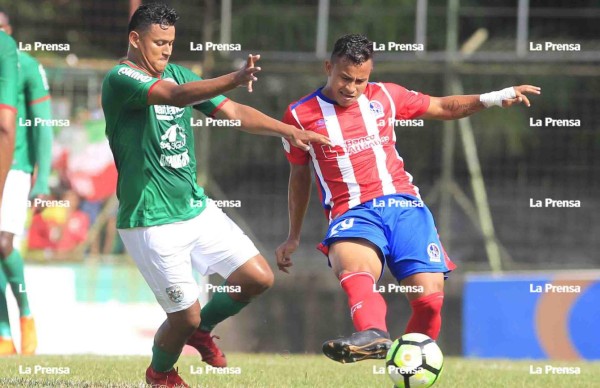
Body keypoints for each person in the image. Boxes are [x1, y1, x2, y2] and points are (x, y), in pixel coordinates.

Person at [102, 3, 329, 387]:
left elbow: (235, 113)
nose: (166, 51)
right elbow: (175, 97)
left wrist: (286, 131)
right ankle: (160, 373)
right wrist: (234, 77)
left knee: (257, 277)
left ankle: (202, 330)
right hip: (150, 221)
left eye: (171, 43)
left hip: (195, 209)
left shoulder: (175, 72)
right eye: (158, 42)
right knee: (183, 317)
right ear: (135, 39)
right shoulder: (121, 78)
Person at [276, 34, 540, 363]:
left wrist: (495, 97)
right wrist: (293, 235)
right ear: (328, 67)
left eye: (360, 80)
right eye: (345, 78)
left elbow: (443, 106)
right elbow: (299, 176)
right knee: (355, 268)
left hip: (404, 207)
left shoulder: (387, 95)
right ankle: (373, 334)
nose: (351, 88)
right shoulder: (299, 114)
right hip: (352, 212)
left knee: (430, 300)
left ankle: (409, 367)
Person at [0, 8, 50, 356]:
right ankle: (4, 334)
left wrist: (42, 178)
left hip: (15, 165)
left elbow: (42, 124)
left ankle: (26, 314)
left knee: (3, 244)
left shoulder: (27, 65)